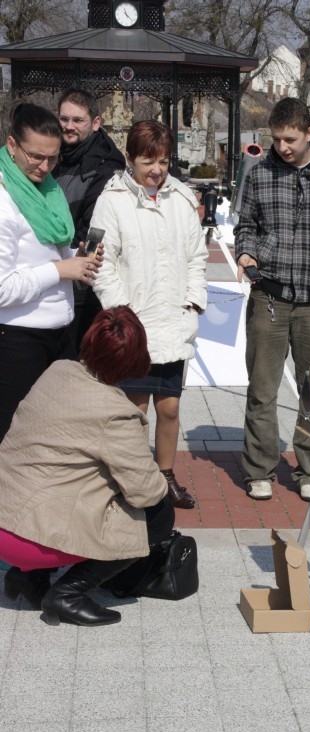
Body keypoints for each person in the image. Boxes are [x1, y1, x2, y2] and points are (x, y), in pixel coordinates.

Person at [0, 306, 174, 627]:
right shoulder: (117, 413)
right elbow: (145, 491)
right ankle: (68, 594)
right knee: (159, 514)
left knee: (61, 479)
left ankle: (29, 577)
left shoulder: (58, 370)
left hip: (4, 519)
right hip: (29, 540)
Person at [234, 97, 310, 501]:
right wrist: (246, 253)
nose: (282, 147)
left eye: (290, 139)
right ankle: (259, 469)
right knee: (262, 388)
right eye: (276, 139)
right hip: (269, 295)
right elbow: (246, 225)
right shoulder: (260, 173)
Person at [90, 120, 208, 509]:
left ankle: (166, 475)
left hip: (173, 319)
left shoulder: (182, 199)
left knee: (169, 407)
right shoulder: (112, 200)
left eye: (163, 161)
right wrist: (121, 312)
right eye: (147, 162)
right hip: (134, 324)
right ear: (130, 159)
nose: (156, 170)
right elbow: (102, 263)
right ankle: (133, 480)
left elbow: (197, 256)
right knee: (135, 409)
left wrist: (193, 299)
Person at [0, 102, 103, 442]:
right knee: (14, 438)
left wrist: (78, 258)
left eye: (53, 158)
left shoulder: (46, 188)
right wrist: (60, 269)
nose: (45, 167)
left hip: (60, 333)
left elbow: (45, 251)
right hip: (18, 340)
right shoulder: (4, 200)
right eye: (35, 156)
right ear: (12, 145)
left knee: (57, 435)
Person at [53, 88, 125, 350]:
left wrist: (81, 260)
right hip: (52, 276)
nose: (69, 126)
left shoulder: (106, 167)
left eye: (77, 120)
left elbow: (96, 232)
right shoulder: (54, 155)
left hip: (81, 287)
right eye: (64, 119)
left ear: (95, 123)